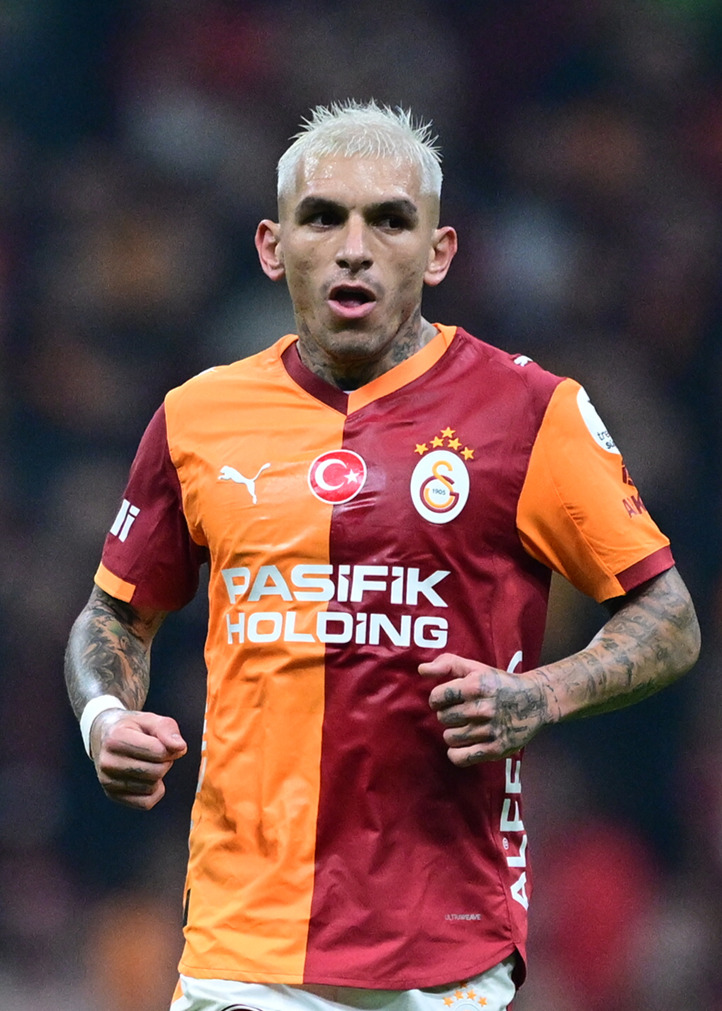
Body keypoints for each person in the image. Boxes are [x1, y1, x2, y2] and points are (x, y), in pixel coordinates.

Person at [64, 100, 701, 1011]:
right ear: (272, 246)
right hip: (243, 946)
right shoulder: (196, 416)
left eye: (390, 221)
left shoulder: (532, 413)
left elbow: (669, 616)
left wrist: (543, 694)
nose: (354, 248)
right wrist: (104, 717)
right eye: (323, 217)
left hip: (444, 952)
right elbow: (116, 613)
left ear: (438, 252)